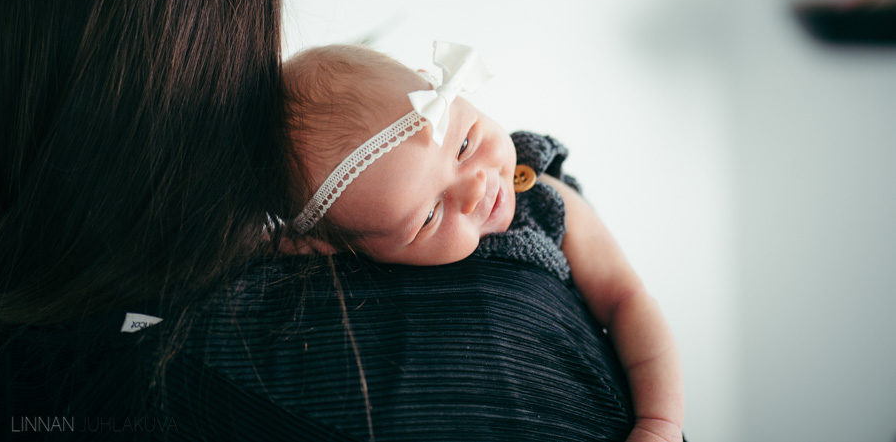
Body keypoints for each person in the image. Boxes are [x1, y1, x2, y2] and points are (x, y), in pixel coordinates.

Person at [0, 0, 643, 440]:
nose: (265, 91)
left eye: (466, 144)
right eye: (255, 47)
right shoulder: (480, 333)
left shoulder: (47, 361)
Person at [281, 41, 685, 442]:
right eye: (429, 215)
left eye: (462, 144)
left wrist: (659, 423)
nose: (476, 188)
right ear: (346, 250)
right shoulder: (338, 247)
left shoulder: (546, 201)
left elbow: (626, 301)